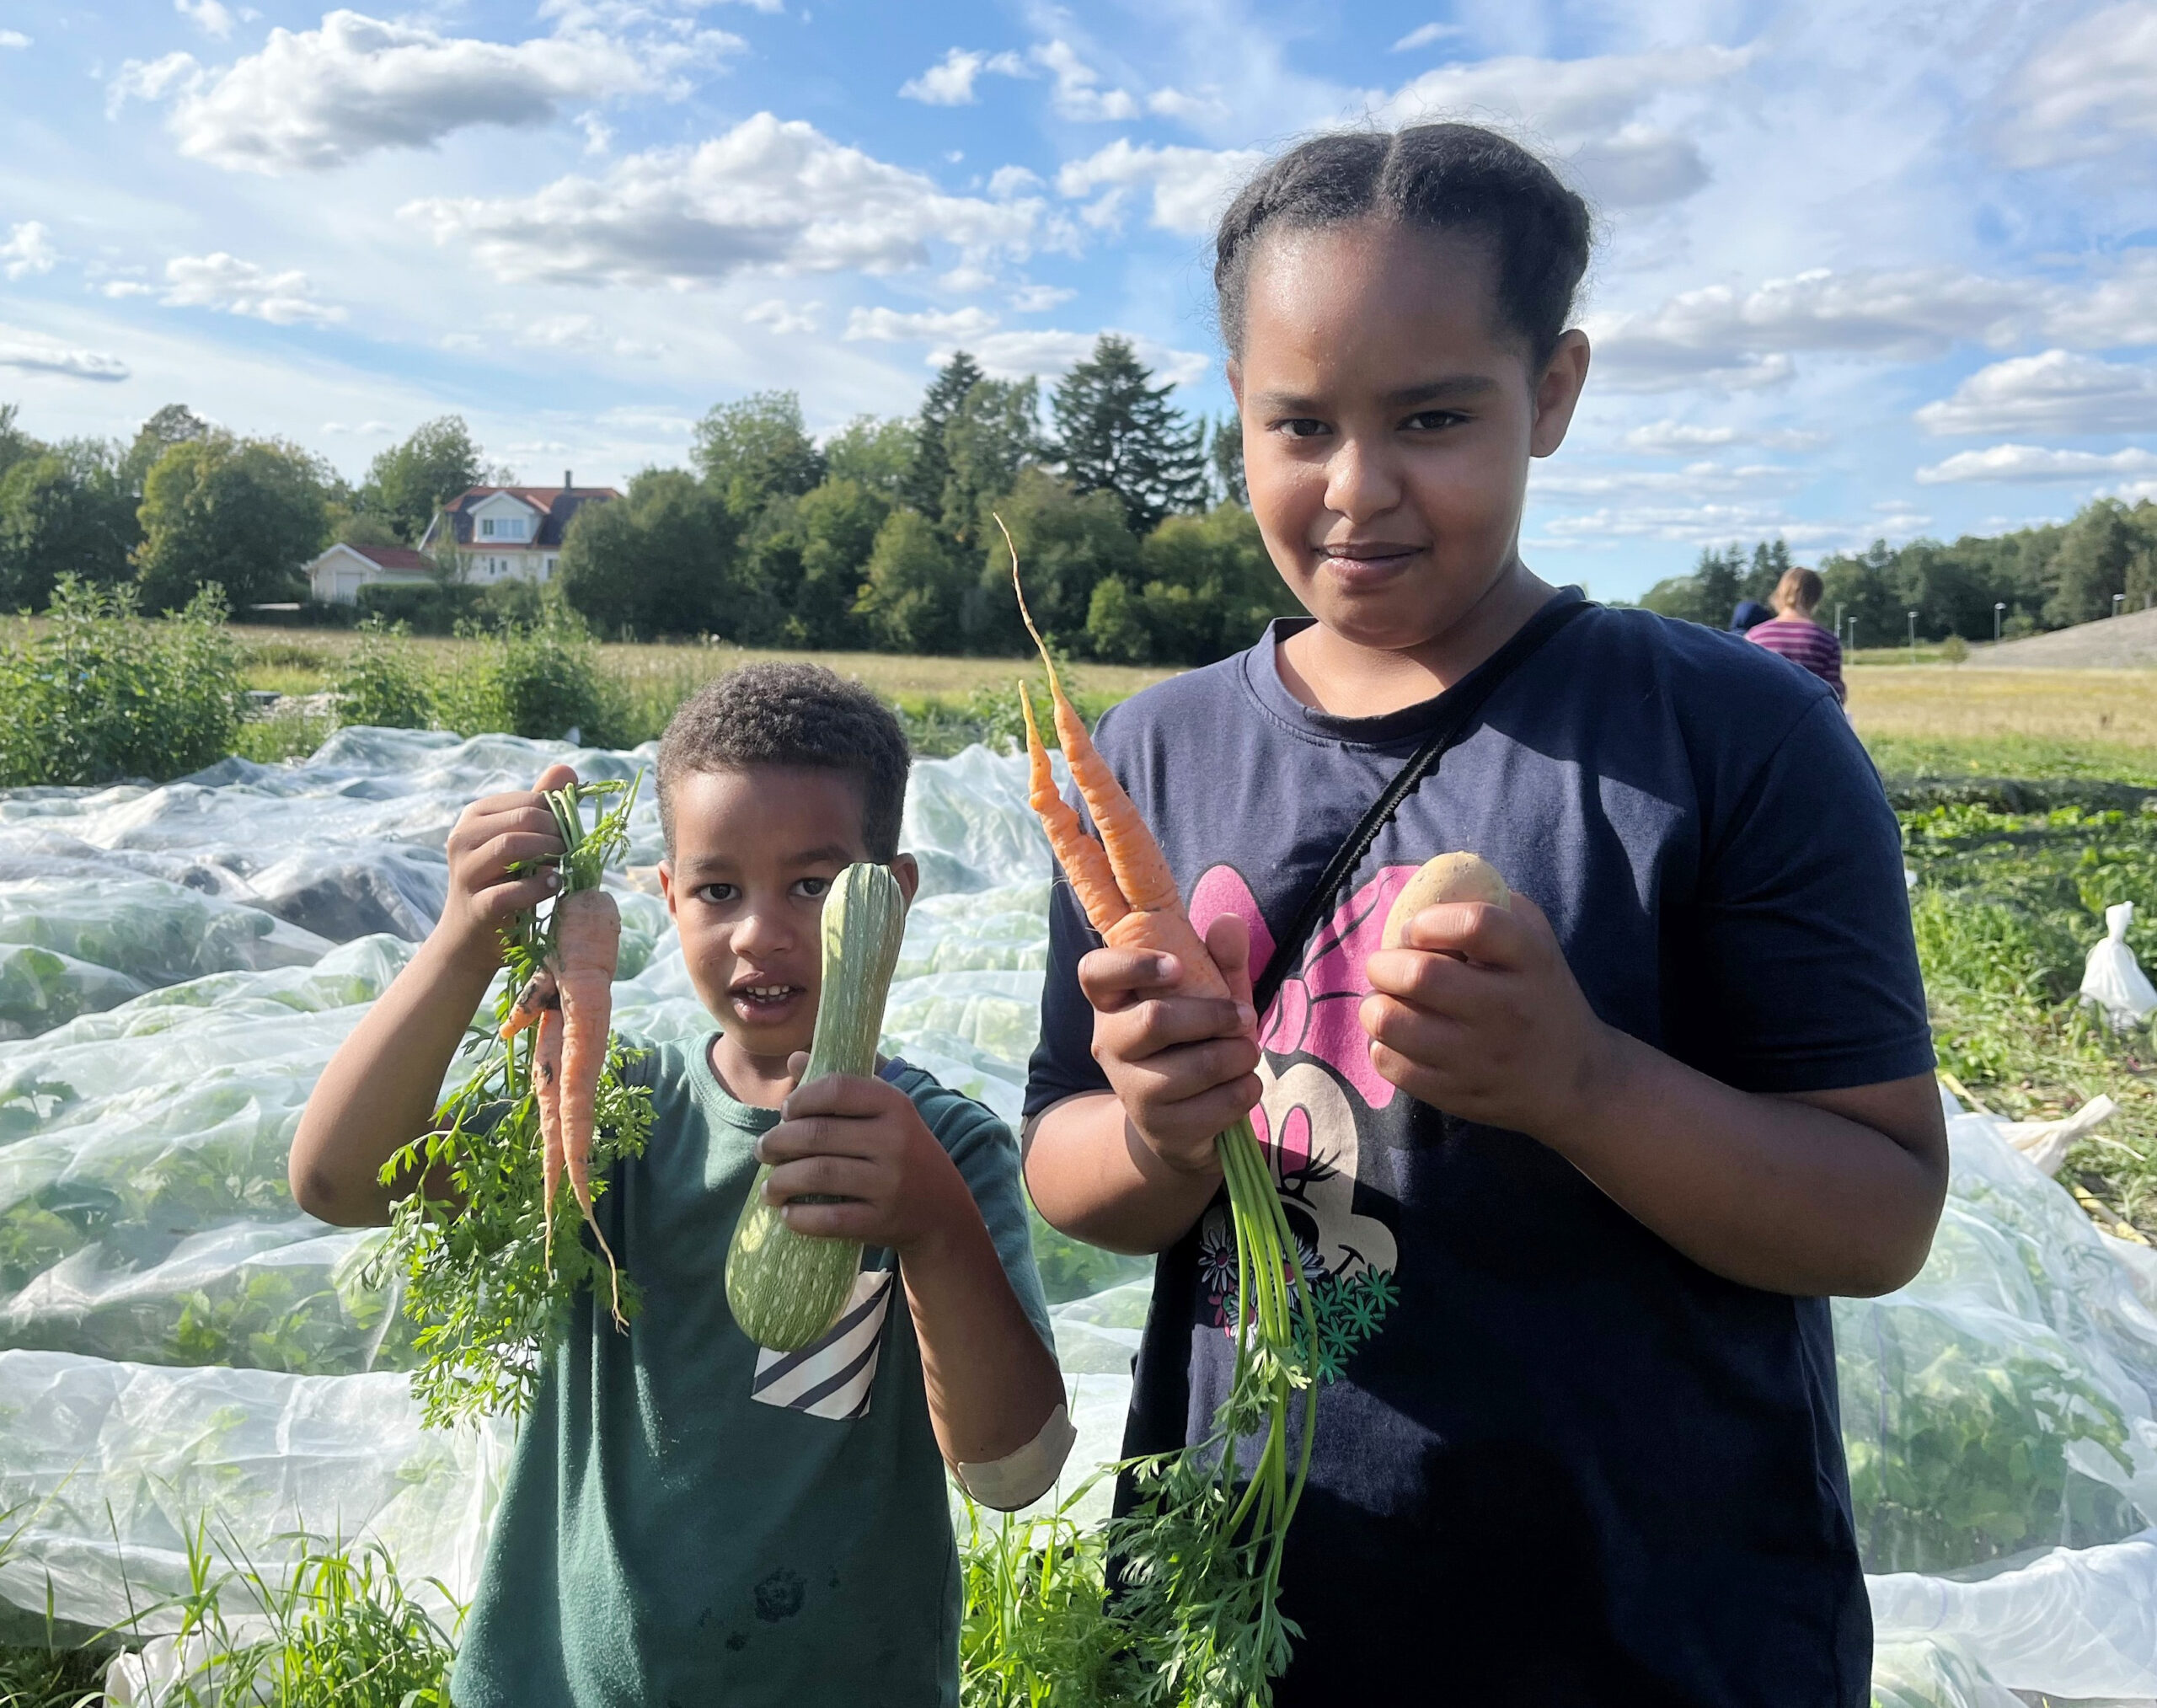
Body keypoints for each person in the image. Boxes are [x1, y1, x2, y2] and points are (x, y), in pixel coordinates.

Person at [1022, 125, 1944, 1706]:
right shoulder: (1156, 753)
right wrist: (1167, 1136)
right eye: (1296, 424)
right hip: (1243, 1617)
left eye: (1433, 418)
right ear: (1234, 410)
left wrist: (1583, 1083)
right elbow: (1066, 1162)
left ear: (1556, 394)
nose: (1356, 488)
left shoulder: (1729, 742)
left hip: (1651, 1638)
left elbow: (1882, 1209)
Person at [291, 663, 1068, 1708]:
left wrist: (932, 1227)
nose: (759, 930)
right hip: (559, 1681)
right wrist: (462, 940)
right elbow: (338, 1179)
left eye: (811, 885)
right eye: (718, 889)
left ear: (892, 895)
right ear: (667, 897)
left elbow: (1009, 1470)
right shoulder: (610, 1111)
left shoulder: (944, 1152)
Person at [1748, 565, 1847, 701]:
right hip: (1811, 720)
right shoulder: (1828, 642)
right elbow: (1835, 696)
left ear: (1780, 593)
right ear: (1816, 597)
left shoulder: (1754, 637)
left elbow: (1747, 686)